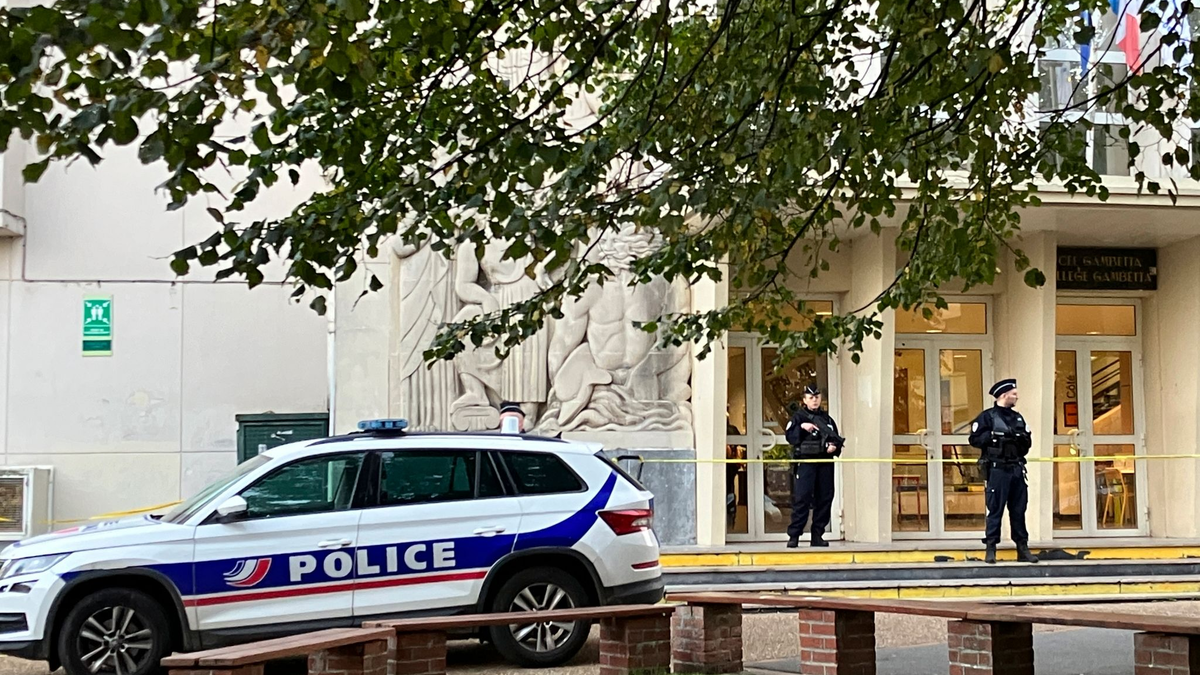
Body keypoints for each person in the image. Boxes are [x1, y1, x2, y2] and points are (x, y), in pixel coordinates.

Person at [968, 378, 1039, 565]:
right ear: (1003, 395)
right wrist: (993, 437)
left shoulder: (1017, 417)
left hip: (1016, 469)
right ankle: (991, 548)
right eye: (1014, 393)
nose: (1017, 396)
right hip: (997, 469)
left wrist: (1017, 439)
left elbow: (1027, 443)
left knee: (1018, 510)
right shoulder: (987, 417)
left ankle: (1022, 548)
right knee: (995, 510)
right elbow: (974, 439)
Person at [784, 385, 844, 548]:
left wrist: (833, 447)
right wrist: (802, 428)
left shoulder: (827, 419)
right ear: (804, 400)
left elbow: (837, 440)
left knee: (825, 498)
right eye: (810, 397)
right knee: (802, 498)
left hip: (824, 463)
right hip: (806, 463)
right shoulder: (798, 418)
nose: (814, 400)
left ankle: (817, 535)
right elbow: (791, 437)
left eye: (816, 397)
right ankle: (794, 535)